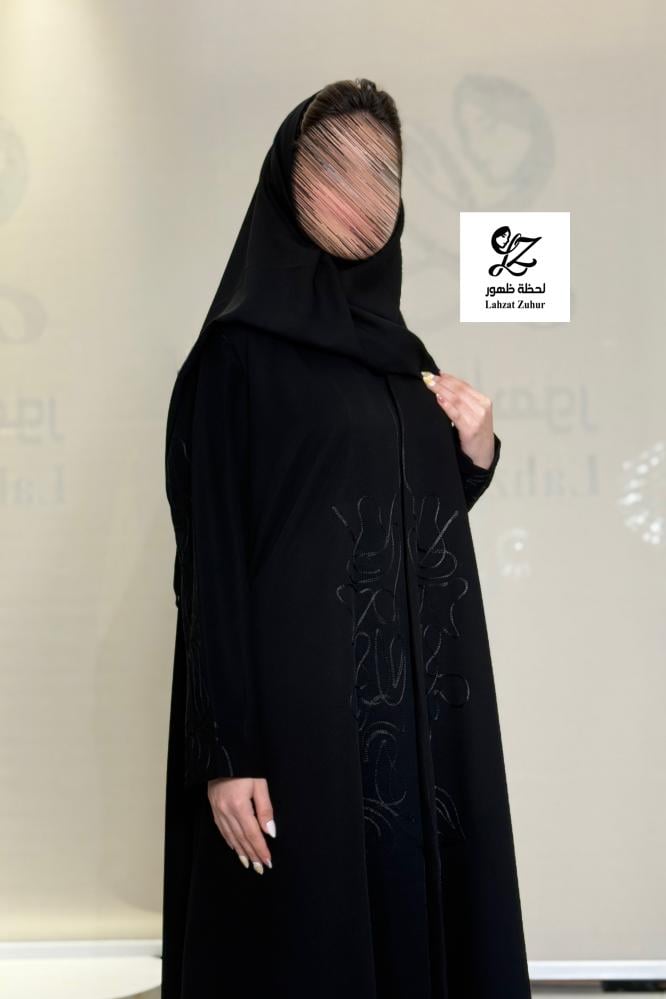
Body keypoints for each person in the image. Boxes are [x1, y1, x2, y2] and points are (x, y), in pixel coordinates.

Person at [161, 79, 532, 999]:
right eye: (332, 166)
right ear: (285, 182)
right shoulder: (237, 355)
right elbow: (213, 565)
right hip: (303, 730)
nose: (363, 191)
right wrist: (228, 753)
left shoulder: (405, 358)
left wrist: (476, 452)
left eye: (384, 172)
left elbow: (400, 519)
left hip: (416, 715)